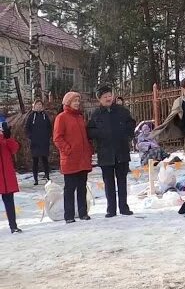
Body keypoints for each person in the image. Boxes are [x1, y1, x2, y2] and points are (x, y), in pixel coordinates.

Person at [86, 85, 137, 218]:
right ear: (100, 99)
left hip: (121, 151)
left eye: (110, 95)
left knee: (122, 181)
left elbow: (131, 124)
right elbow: (90, 131)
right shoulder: (96, 114)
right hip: (105, 153)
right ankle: (111, 209)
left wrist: (126, 134)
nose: (108, 98)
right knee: (108, 183)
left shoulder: (122, 111)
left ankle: (124, 207)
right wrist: (100, 133)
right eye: (105, 97)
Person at [53, 91, 93, 223]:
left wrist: (88, 149)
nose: (77, 103)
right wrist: (67, 150)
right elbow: (57, 138)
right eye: (74, 101)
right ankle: (69, 215)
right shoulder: (61, 117)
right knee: (69, 188)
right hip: (70, 158)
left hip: (82, 158)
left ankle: (83, 213)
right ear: (68, 102)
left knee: (82, 186)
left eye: (78, 101)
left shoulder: (80, 117)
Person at [26, 99, 53, 185]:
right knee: (35, 161)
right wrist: (31, 137)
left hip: (44, 141)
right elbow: (27, 128)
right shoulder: (31, 116)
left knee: (45, 160)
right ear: (34, 106)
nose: (39, 106)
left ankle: (47, 176)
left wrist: (48, 136)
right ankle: (35, 179)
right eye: (37, 105)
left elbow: (49, 127)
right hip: (35, 142)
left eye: (40, 105)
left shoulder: (45, 115)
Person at [1, 119, 20, 233]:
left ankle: (13, 226)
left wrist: (8, 137)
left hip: (6, 175)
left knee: (9, 200)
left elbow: (14, 149)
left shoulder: (5, 138)